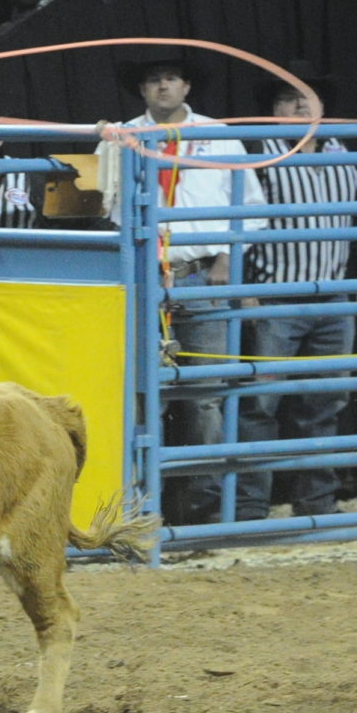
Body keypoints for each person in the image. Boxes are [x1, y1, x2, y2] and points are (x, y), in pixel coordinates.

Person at [101, 52, 251, 525]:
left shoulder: (222, 137)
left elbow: (246, 204)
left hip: (203, 276)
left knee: (206, 395)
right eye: (153, 80)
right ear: (143, 90)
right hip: (146, 277)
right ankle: (144, 507)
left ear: (187, 87)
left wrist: (227, 258)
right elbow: (108, 209)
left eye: (170, 79)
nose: (162, 87)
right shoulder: (122, 137)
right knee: (145, 396)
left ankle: (203, 513)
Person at [228, 62, 357, 522]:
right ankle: (249, 507)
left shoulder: (344, 152)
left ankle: (317, 502)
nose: (300, 104)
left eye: (308, 96)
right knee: (260, 406)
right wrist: (242, 285)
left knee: (325, 404)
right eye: (288, 98)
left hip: (335, 295)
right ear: (273, 109)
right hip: (274, 295)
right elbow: (238, 220)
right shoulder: (257, 151)